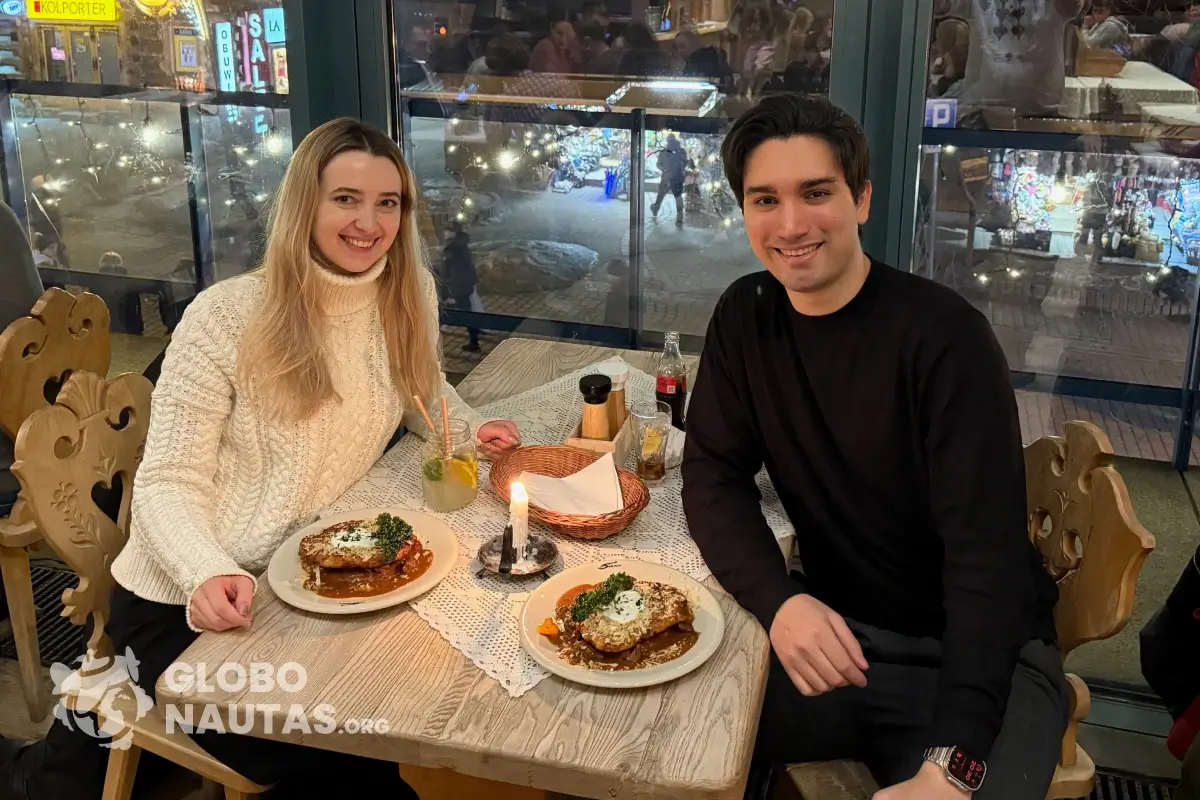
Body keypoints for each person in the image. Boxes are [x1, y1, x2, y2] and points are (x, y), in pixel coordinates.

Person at [0, 117, 522, 799]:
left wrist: (471, 431)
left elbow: (422, 388)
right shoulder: (228, 316)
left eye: (387, 203)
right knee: (359, 747)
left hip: (308, 582)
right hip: (192, 603)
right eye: (346, 199)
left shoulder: (407, 291)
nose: (369, 223)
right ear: (305, 202)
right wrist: (207, 569)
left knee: (405, 712)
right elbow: (166, 481)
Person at [681, 94, 1067, 799]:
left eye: (816, 193)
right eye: (765, 199)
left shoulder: (944, 340)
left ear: (861, 199)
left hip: (982, 657)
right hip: (840, 635)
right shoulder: (747, 314)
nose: (791, 224)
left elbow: (988, 564)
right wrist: (781, 602)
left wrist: (952, 762)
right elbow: (711, 474)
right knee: (664, 732)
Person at [441, 221, 482, 352]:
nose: (445, 233)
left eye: (448, 230)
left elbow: (456, 273)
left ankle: (474, 342)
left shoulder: (456, 250)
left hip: (458, 288)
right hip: (461, 287)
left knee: (464, 314)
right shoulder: (457, 247)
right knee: (466, 313)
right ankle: (474, 339)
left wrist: (450, 293)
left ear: (454, 233)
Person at [650, 134, 691, 227]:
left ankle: (656, 209)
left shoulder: (664, 151)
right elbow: (685, 162)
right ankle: (679, 218)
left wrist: (665, 170)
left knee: (661, 195)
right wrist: (680, 170)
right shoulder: (681, 151)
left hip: (667, 177)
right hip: (677, 177)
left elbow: (658, 164)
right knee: (677, 197)